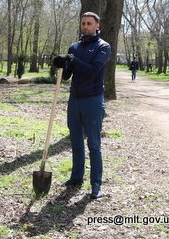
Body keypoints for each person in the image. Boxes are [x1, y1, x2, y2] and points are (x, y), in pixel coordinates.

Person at [53, 12, 111, 199]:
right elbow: (69, 74)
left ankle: (96, 184)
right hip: (75, 100)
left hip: (93, 100)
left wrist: (72, 60)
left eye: (89, 23)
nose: (85, 26)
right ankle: (76, 178)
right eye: (83, 23)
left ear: (97, 26)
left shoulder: (103, 47)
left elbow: (92, 72)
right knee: (76, 141)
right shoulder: (74, 47)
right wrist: (61, 64)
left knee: (93, 144)